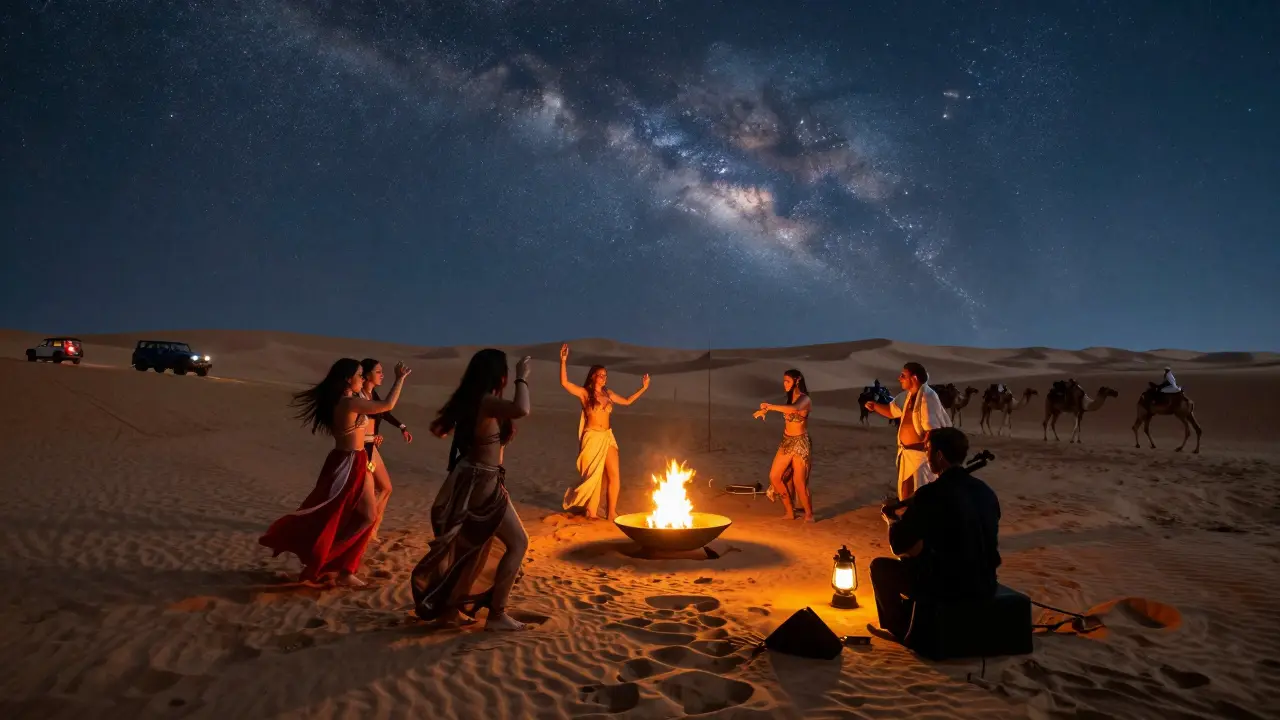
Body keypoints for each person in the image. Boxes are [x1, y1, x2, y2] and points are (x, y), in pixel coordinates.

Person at [260, 358, 411, 586]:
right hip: (349, 462)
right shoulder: (347, 403)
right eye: (360, 375)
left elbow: (368, 418)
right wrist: (399, 379)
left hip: (357, 458)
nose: (362, 378)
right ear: (348, 379)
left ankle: (343, 568)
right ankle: (329, 565)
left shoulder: (348, 400)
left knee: (367, 517)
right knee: (348, 515)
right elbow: (387, 405)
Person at [411, 349, 532, 631]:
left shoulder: (476, 400)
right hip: (482, 483)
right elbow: (523, 409)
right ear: (499, 375)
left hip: (477, 479)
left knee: (474, 549)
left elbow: (441, 430)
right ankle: (497, 615)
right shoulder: (486, 401)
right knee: (518, 542)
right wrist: (523, 379)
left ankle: (451, 610)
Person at [869, 427, 1002, 642]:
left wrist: (892, 518)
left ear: (939, 456)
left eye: (928, 449)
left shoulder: (930, 495)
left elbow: (899, 545)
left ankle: (899, 629)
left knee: (881, 567)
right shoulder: (986, 492)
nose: (925, 453)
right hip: (985, 582)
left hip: (947, 586)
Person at [560, 343, 650, 520]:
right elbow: (564, 383)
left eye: (605, 375)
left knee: (614, 475)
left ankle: (611, 512)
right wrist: (563, 361)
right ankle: (591, 511)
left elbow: (627, 401)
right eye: (600, 375)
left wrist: (643, 388)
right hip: (592, 437)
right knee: (595, 476)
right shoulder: (585, 394)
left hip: (608, 436)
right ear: (593, 377)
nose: (603, 378)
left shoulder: (608, 394)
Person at [864, 362, 951, 501]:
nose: (899, 378)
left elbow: (933, 431)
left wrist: (930, 454)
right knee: (906, 494)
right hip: (907, 455)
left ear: (914, 378)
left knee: (919, 496)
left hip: (922, 459)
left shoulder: (927, 398)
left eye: (903, 375)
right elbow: (892, 411)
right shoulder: (907, 396)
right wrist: (875, 406)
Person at [359, 358, 414, 540]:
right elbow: (356, 426)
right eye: (378, 372)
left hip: (372, 449)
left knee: (386, 488)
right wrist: (370, 437)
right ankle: (364, 527)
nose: (382, 375)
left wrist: (402, 427)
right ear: (367, 375)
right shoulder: (357, 397)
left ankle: (373, 528)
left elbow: (383, 411)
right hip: (361, 452)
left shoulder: (372, 396)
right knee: (365, 493)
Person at [754, 368, 814, 522]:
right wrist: (764, 412)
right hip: (786, 442)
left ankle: (809, 515)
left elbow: (794, 409)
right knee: (775, 476)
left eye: (787, 381)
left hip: (800, 444)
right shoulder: (790, 399)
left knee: (799, 482)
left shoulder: (805, 399)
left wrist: (769, 407)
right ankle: (789, 511)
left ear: (797, 380)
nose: (785, 384)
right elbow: (788, 408)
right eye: (784, 381)